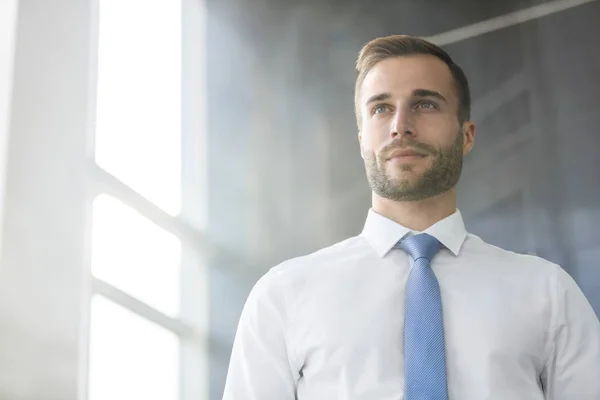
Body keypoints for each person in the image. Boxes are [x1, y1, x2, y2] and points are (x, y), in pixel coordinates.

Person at [222, 35, 600, 400]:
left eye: (425, 104)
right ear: (361, 140)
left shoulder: (548, 294)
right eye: (380, 108)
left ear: (466, 136)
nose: (400, 125)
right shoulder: (283, 296)